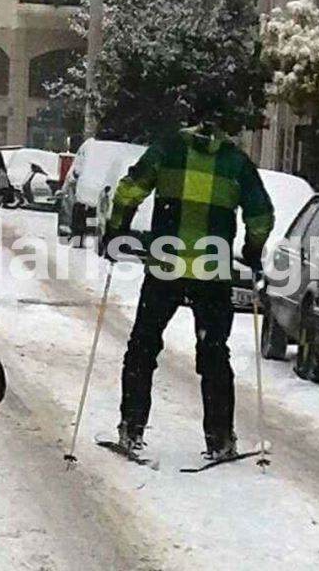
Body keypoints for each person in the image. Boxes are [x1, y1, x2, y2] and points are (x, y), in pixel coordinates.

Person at [104, 123, 274, 460]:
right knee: (213, 353)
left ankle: (132, 427)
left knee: (143, 345)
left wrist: (117, 229)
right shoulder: (237, 163)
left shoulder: (167, 150)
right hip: (212, 272)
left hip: (165, 266)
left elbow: (129, 190)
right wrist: (252, 251)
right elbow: (261, 215)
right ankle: (220, 437)